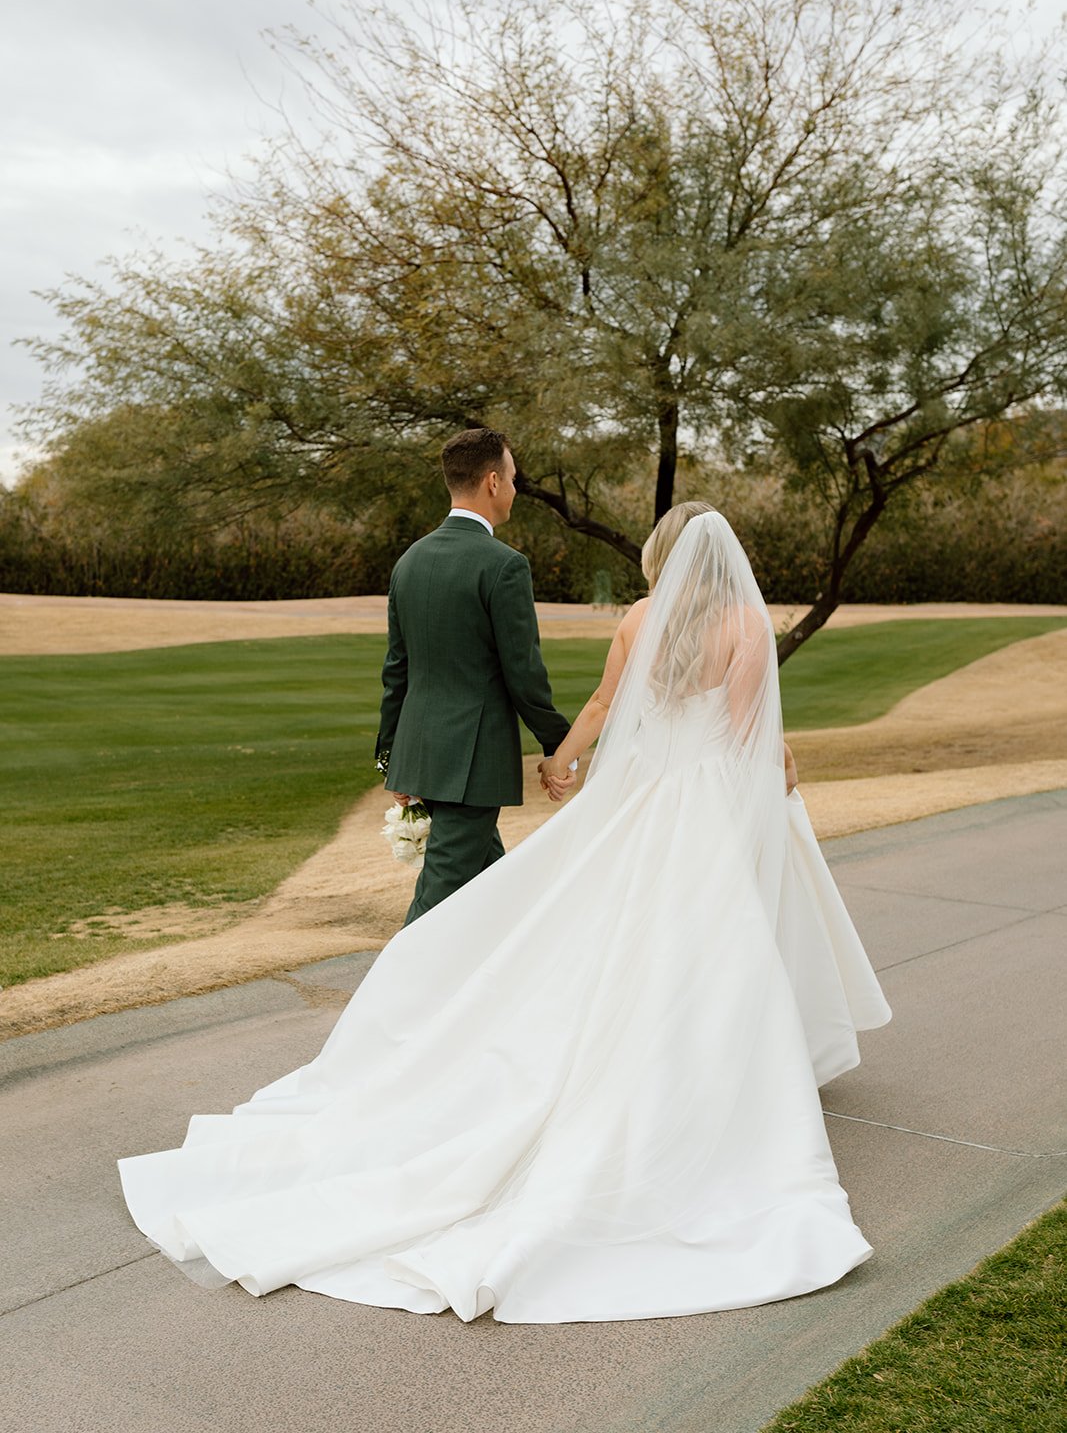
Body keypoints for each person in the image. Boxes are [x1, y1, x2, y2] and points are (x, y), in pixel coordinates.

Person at [119, 502, 891, 1323]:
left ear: (659, 555)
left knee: (612, 937)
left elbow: (601, 705)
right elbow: (743, 732)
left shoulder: (638, 616)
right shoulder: (745, 622)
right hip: (702, 806)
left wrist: (560, 763)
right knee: (709, 944)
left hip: (641, 802)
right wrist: (778, 772)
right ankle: (709, 1074)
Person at [376, 427, 574, 925]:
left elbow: (397, 670)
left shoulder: (409, 561)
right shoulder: (505, 566)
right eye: (511, 478)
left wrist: (390, 758)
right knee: (437, 899)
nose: (514, 489)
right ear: (491, 481)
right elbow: (524, 674)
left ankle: (503, 994)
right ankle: (394, 998)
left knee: (495, 891)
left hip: (424, 753)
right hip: (471, 761)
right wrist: (559, 746)